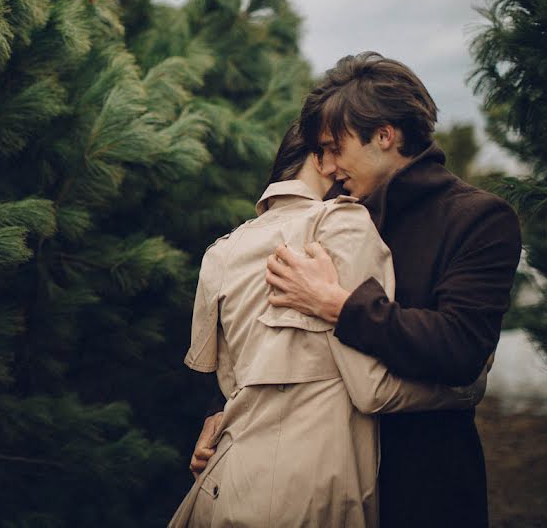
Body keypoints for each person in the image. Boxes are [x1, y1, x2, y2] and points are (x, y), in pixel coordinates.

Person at [190, 52, 522, 527]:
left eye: (333, 147)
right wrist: (221, 410)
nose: (325, 166)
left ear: (385, 136)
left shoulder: (477, 219)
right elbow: (274, 333)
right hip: (318, 486)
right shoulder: (334, 213)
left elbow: (460, 347)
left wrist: (339, 304)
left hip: (420, 487)